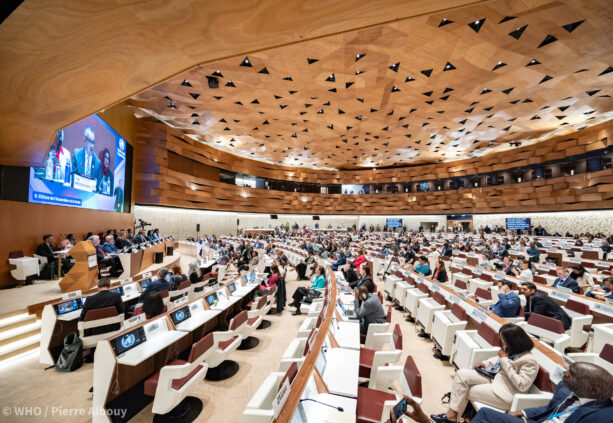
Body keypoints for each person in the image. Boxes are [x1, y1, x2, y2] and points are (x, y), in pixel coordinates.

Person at [430, 324, 538, 423]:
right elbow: (498, 359)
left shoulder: (530, 361)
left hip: (505, 393)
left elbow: (522, 385)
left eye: (504, 340)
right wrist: (485, 363)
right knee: (461, 374)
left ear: (514, 341)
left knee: (466, 391)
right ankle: (451, 417)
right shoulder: (512, 349)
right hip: (496, 379)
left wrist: (505, 361)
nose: (502, 343)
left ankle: (451, 418)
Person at [471, 362, 613, 423]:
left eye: (573, 374)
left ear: (593, 391)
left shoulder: (603, 417)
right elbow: (549, 407)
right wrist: (522, 412)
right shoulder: (566, 388)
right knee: (485, 413)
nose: (565, 373)